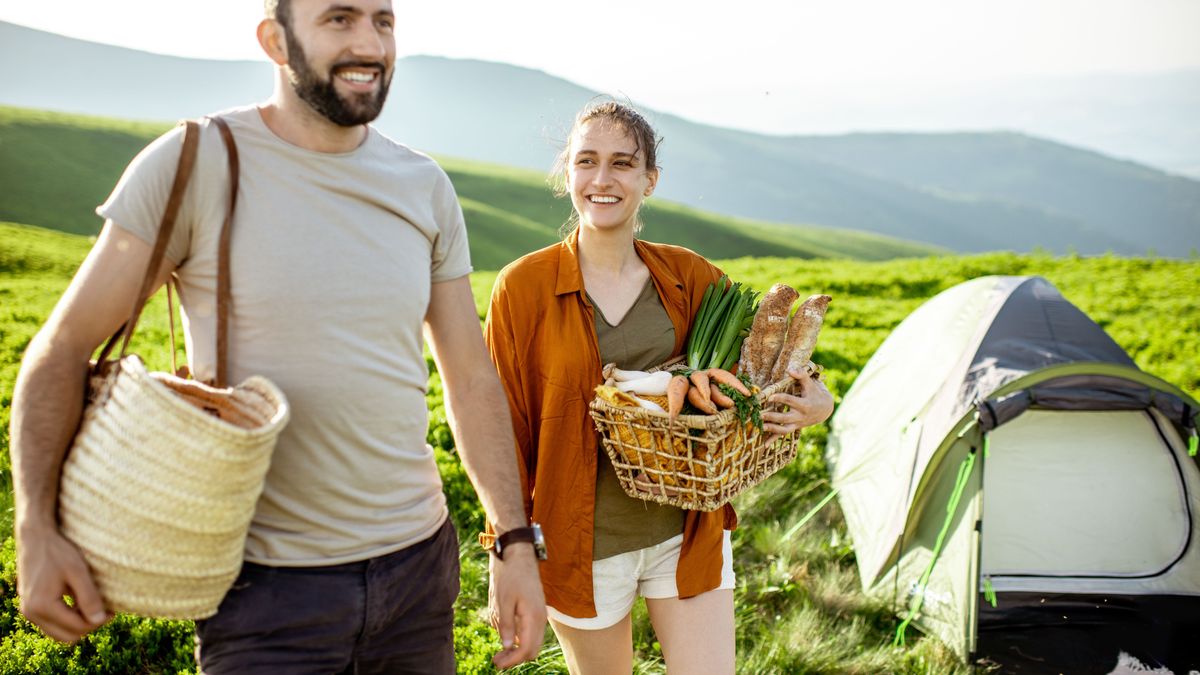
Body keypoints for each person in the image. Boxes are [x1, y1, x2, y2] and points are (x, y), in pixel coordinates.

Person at [8, 0, 546, 672]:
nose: (369, 43)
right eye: (339, 19)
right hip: (265, 593)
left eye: (383, 21)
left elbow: (469, 376)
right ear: (275, 40)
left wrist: (513, 541)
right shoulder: (194, 162)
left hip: (418, 573)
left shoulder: (424, 186)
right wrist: (35, 526)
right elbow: (61, 347)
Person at [483, 100, 835, 673]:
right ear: (567, 174)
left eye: (623, 163)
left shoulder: (690, 276)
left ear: (650, 179)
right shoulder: (522, 287)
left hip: (687, 531)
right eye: (587, 161)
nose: (602, 179)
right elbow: (500, 424)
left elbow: (763, 368)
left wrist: (819, 400)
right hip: (582, 543)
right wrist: (505, 546)